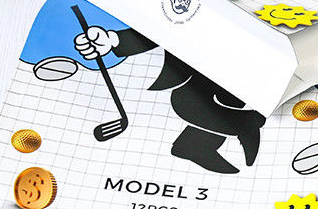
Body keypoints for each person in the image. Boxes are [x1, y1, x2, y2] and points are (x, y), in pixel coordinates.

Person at [74, 26, 265, 175]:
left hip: (223, 52)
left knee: (224, 94)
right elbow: (161, 20)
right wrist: (114, 40)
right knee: (192, 97)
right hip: (180, 62)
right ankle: (238, 126)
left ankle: (197, 144)